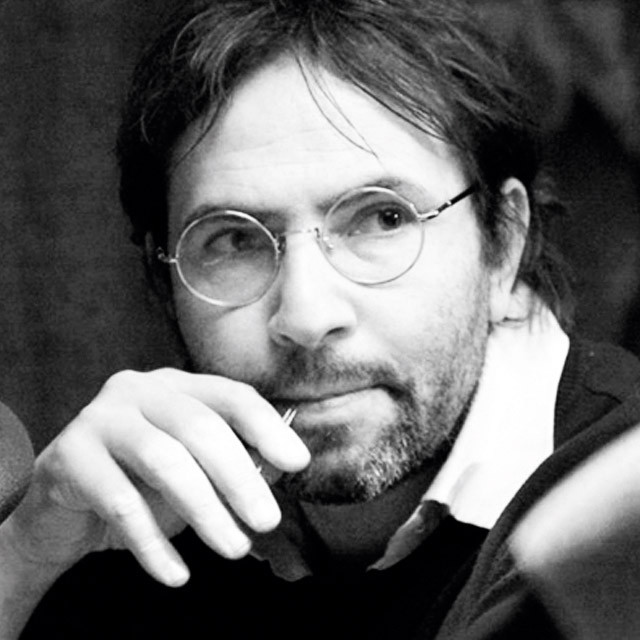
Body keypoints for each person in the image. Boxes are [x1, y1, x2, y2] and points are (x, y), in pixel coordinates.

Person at [2, 0, 640, 637]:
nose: (306, 316)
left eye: (383, 219)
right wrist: (24, 558)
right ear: (164, 286)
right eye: (235, 241)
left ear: (502, 246)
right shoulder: (132, 521)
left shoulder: (620, 509)